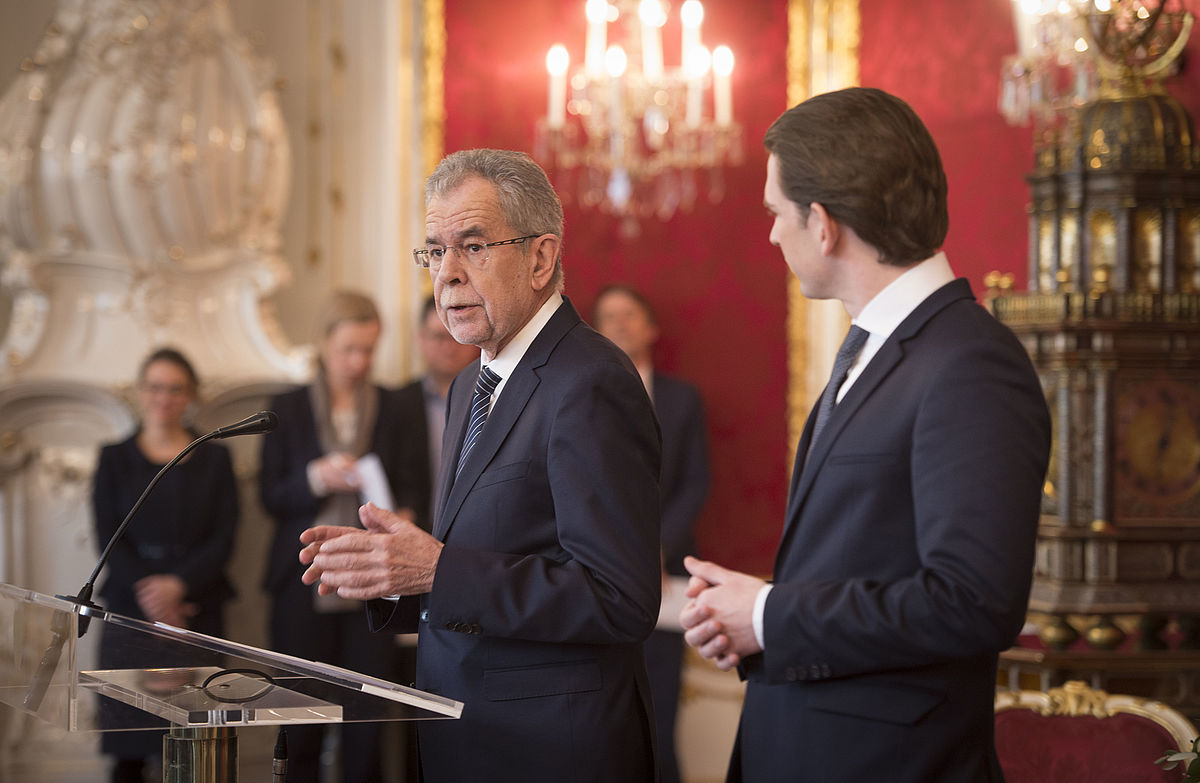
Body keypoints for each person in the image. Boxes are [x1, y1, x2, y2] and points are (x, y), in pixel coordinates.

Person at [679, 87, 1051, 782]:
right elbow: (863, 560)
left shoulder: (970, 362)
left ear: (821, 224)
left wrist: (768, 612)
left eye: (775, 213)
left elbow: (972, 600)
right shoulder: (877, 348)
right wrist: (753, 611)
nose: (770, 234)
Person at [298, 148, 663, 782]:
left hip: (552, 750)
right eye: (435, 251)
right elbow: (480, 562)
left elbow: (619, 599)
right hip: (467, 731)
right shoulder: (472, 385)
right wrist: (390, 574)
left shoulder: (590, 381)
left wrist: (438, 569)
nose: (447, 275)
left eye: (473, 246)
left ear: (541, 258)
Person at [258, 291, 419, 783]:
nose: (359, 361)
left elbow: (417, 486)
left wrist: (404, 513)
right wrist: (315, 478)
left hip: (372, 586)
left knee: (365, 728)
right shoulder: (286, 406)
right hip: (301, 584)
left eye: (369, 350)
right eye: (349, 349)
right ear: (323, 343)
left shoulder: (395, 405)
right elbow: (269, 496)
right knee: (300, 722)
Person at [92, 347, 239, 783]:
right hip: (128, 615)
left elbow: (225, 537)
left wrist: (179, 586)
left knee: (199, 753)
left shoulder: (215, 458)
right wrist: (154, 595)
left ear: (190, 395)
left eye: (176, 389)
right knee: (129, 752)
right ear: (141, 392)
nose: (164, 397)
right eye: (155, 387)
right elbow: (108, 538)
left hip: (198, 610)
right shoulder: (113, 458)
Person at [592, 283, 710, 783]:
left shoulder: (683, 400)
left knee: (660, 714)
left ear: (651, 327)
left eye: (629, 314)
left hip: (665, 577)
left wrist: (656, 546)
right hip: (597, 574)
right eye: (608, 317)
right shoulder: (584, 393)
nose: (619, 324)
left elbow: (695, 482)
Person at [394, 294, 480, 530]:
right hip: (413, 530)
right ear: (420, 339)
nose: (448, 347)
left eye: (455, 336)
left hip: (475, 537)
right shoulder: (397, 403)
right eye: (438, 337)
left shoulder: (492, 398)